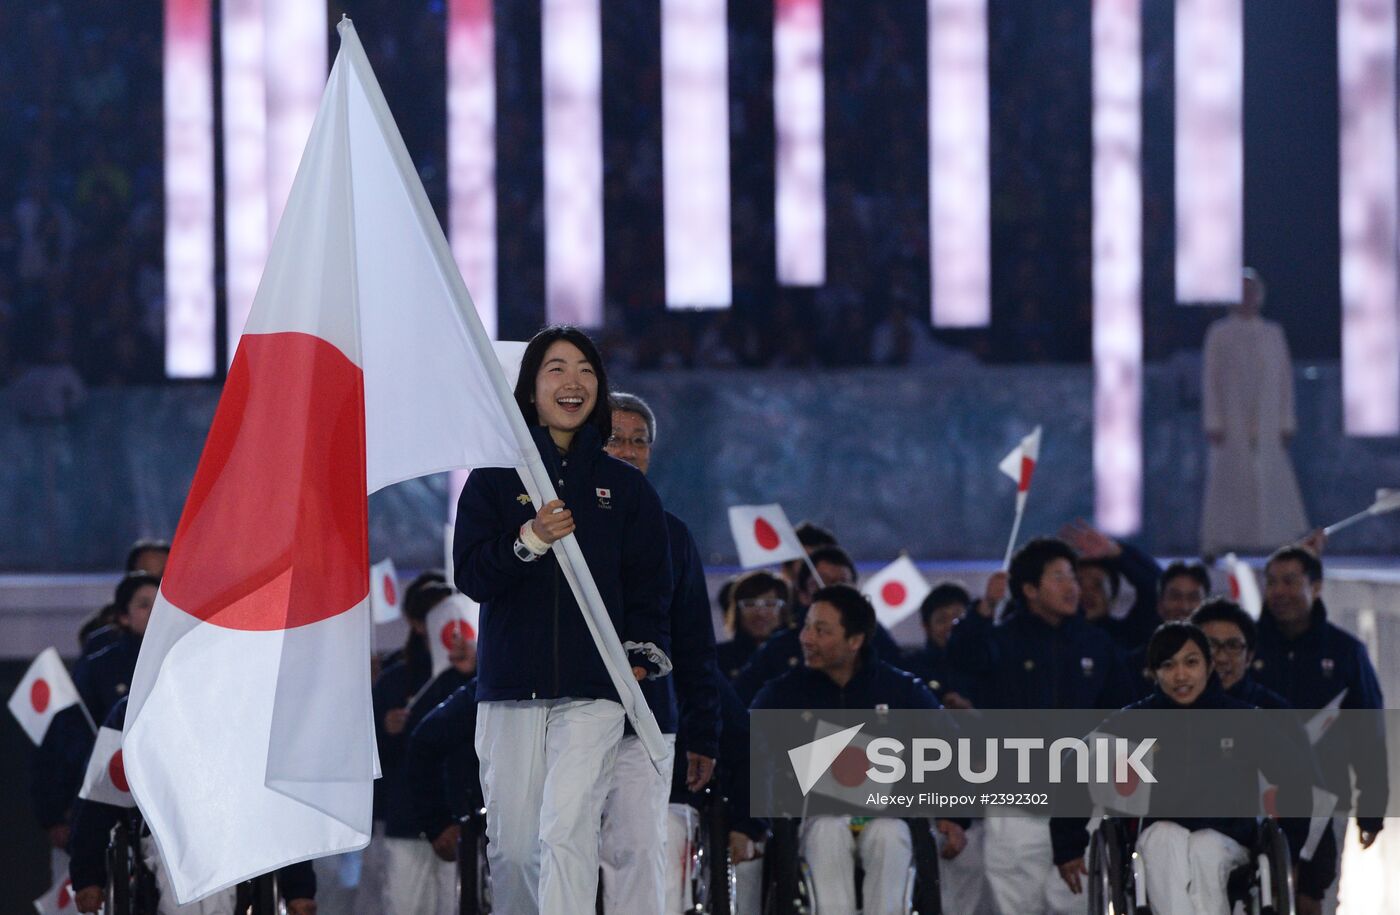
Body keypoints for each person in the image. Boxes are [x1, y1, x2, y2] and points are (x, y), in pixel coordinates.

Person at [452, 325, 673, 914]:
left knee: (565, 833)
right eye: (555, 368)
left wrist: (640, 654)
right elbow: (471, 575)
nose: (572, 381)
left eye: (585, 370)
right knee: (517, 851)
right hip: (508, 692)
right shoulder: (495, 479)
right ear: (529, 389)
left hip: (594, 691)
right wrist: (529, 538)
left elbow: (652, 587)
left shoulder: (624, 490)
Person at [1052, 622, 1317, 915]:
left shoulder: (1244, 720)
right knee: (1161, 837)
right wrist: (1068, 845)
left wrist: (1290, 843)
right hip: (1157, 838)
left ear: (1208, 665)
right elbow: (1076, 765)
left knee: (1205, 847)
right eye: (1168, 665)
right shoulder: (1136, 722)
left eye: (1191, 663)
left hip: (1229, 840)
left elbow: (1296, 777)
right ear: (1154, 672)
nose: (1181, 675)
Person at [751, 585, 967, 915]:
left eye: (821, 631)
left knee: (889, 836)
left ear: (854, 641)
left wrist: (954, 814)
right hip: (814, 818)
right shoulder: (782, 695)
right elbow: (751, 756)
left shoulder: (901, 691)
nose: (807, 639)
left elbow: (949, 750)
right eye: (806, 627)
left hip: (888, 815)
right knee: (827, 832)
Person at [947, 537, 1133, 915]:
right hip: (1016, 803)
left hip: (1083, 802)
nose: (1072, 587)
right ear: (1030, 589)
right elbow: (960, 658)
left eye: (1073, 577)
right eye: (1059, 577)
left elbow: (1123, 713)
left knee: (1080, 903)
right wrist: (984, 608)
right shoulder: (1001, 641)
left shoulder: (1095, 643)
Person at [599, 391, 721, 914]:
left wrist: (704, 731)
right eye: (615, 439)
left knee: (640, 848)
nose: (628, 451)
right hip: (562, 710)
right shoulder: (562, 523)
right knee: (564, 848)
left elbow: (694, 642)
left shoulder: (674, 536)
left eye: (639, 441)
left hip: (648, 720)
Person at [67, 696, 319, 915]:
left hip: (232, 835)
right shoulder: (133, 709)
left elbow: (279, 805)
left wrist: (298, 887)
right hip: (163, 833)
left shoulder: (248, 707)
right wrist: (88, 877)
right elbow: (99, 800)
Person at [1252, 545, 1387, 914]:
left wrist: (1372, 809)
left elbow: (1369, 736)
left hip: (1326, 800)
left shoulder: (1346, 653)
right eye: (1272, 582)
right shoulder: (1246, 649)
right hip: (1259, 800)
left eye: (1290, 581)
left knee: (1317, 901)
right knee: (1261, 897)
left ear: (1315, 587)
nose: (1279, 591)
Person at [380, 582, 476, 915]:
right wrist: (387, 731)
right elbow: (382, 761)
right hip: (409, 822)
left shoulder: (476, 678)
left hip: (462, 825)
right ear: (419, 624)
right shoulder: (395, 681)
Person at [1200, 267, 1309, 555]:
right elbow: (1210, 379)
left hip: (1268, 417)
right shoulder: (1219, 334)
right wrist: (1214, 419)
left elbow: (1284, 379)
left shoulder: (1272, 333)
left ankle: (1276, 537)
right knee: (1230, 476)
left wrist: (1287, 420)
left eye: (1251, 292)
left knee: (1271, 474)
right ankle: (1221, 539)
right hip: (1232, 418)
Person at [732, 545, 901, 704]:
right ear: (803, 594)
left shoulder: (880, 645)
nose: (832, 590)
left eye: (842, 583)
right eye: (821, 582)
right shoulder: (778, 654)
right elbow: (740, 711)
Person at [715, 569, 791, 682]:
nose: (760, 613)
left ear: (783, 610)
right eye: (750, 604)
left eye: (769, 604)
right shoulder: (717, 658)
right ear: (737, 611)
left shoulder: (800, 654)